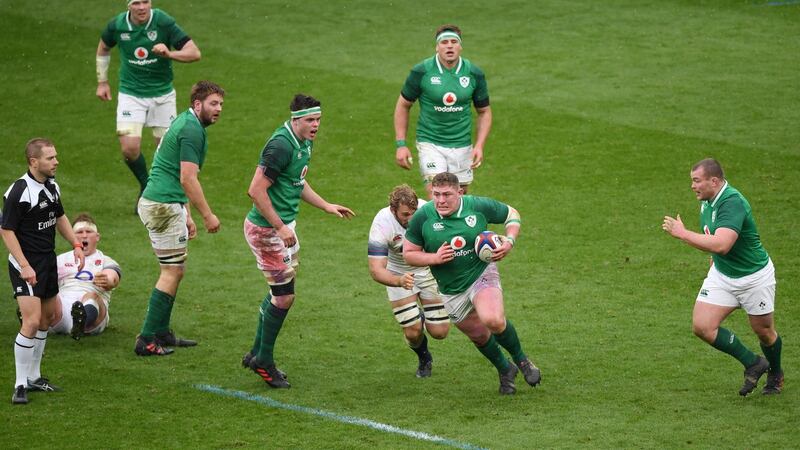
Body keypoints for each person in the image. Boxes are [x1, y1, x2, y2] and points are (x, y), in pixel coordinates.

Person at [242, 94, 354, 389]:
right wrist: (279, 227)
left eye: (318, 120)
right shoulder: (280, 145)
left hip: (281, 229)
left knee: (279, 292)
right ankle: (264, 362)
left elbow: (296, 181)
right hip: (267, 231)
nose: (315, 125)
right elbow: (255, 190)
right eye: (310, 120)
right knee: (284, 297)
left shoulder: (303, 141)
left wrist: (326, 205)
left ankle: (256, 351)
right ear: (295, 120)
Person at [403, 172, 540, 395]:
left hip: (481, 273)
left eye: (447, 194)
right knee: (478, 335)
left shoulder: (476, 206)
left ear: (460, 192)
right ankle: (505, 369)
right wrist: (434, 258)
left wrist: (510, 241)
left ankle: (522, 360)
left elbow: (512, 214)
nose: (440, 200)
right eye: (436, 194)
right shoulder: (423, 216)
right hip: (450, 289)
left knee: (493, 320)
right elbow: (409, 254)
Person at [662, 158, 783, 396]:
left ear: (714, 181)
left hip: (753, 278)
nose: (692, 186)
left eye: (697, 181)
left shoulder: (732, 203)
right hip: (722, 274)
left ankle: (776, 373)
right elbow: (714, 240)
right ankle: (753, 363)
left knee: (764, 331)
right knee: (702, 326)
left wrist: (683, 233)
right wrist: (713, 264)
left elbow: (722, 244)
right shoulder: (707, 201)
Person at [134, 80, 224, 356]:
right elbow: (187, 177)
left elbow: (174, 172)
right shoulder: (191, 130)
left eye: (220, 104)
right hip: (162, 205)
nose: (218, 109)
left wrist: (185, 214)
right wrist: (207, 215)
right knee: (171, 271)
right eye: (213, 103)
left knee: (176, 270)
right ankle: (147, 339)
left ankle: (160, 331)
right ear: (197, 104)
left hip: (163, 202)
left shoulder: (186, 122)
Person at [2, 138, 86, 405]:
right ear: (33, 162)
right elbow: (6, 230)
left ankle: (34, 377)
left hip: (47, 261)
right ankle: (19, 384)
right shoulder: (18, 192)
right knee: (31, 320)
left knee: (48, 319)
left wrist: (75, 243)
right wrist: (25, 265)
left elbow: (59, 216)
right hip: (25, 264)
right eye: (50, 158)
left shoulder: (52, 187)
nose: (56, 162)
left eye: (55, 156)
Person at [95, 0, 201, 207]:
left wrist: (169, 54)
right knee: (129, 149)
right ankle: (146, 185)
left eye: (146, 2)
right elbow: (103, 48)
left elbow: (194, 53)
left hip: (162, 96)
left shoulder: (162, 21)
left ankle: (170, 198)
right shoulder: (117, 25)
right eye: (136, 2)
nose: (142, 7)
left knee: (167, 150)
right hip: (131, 94)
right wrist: (102, 81)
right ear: (128, 5)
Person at [394, 24, 492, 198]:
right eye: (444, 42)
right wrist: (401, 144)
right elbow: (403, 105)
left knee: (456, 201)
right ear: (437, 47)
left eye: (454, 42)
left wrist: (479, 145)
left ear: (460, 46)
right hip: (430, 143)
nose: (449, 45)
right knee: (438, 198)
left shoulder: (473, 73)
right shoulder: (422, 71)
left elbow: (484, 111)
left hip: (462, 146)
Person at [368, 185, 450, 378]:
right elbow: (376, 270)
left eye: (413, 213)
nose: (410, 219)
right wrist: (398, 281)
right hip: (398, 273)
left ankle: (419, 317)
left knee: (440, 332)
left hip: (427, 269)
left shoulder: (429, 212)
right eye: (405, 214)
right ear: (392, 209)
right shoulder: (382, 224)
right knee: (413, 332)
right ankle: (424, 358)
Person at [48, 214, 121, 340]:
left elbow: (113, 277)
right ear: (71, 236)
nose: (84, 235)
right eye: (79, 232)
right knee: (49, 297)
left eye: (89, 231)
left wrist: (107, 280)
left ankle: (81, 324)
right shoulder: (59, 260)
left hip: (94, 315)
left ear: (97, 237)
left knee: (92, 296)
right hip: (61, 311)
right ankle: (32, 318)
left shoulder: (105, 260)